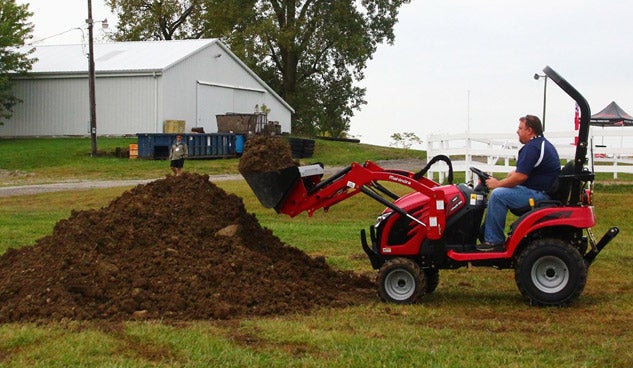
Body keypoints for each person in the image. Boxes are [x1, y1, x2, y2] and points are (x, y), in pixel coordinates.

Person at [478, 115, 561, 251]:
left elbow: (520, 177)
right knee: (500, 191)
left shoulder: (533, 147)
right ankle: (484, 232)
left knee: (499, 195)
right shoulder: (539, 144)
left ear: (529, 130)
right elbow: (517, 172)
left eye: (520, 128)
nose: (517, 131)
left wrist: (497, 185)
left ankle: (493, 241)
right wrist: (498, 180)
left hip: (540, 194)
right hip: (540, 190)